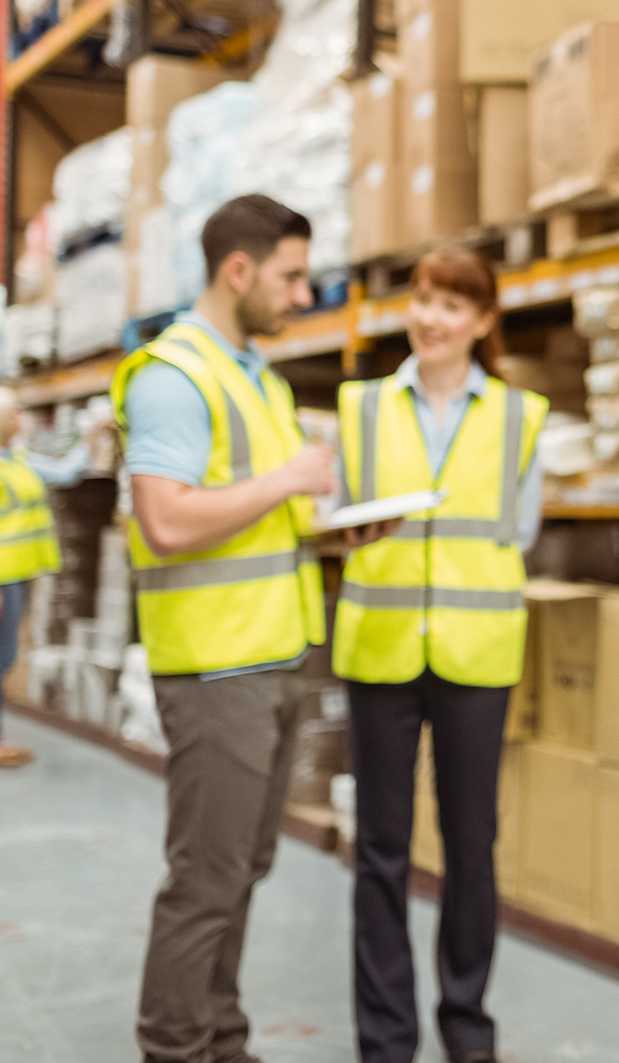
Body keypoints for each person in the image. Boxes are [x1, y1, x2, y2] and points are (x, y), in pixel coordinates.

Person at [112, 195, 382, 1063]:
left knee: (242, 871)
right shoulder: (174, 376)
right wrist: (292, 479)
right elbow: (169, 521)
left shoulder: (257, 377)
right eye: (292, 275)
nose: (304, 294)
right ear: (239, 270)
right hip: (215, 667)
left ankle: (220, 1040)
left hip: (272, 656)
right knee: (205, 881)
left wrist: (333, 528)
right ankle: (175, 1049)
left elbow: (254, 518)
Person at [333, 248, 547, 1063]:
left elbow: (519, 530)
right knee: (380, 854)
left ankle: (467, 1028)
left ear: (484, 323)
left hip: (475, 654)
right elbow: (335, 514)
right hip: (380, 649)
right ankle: (386, 1041)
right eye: (423, 299)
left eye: (453, 306)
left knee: (470, 848)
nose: (431, 317)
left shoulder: (519, 417)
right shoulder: (359, 409)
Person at [0, 386, 98, 766]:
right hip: (1, 577)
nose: (21, 419)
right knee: (1, 656)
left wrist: (94, 436)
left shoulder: (16, 461)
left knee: (3, 654)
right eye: (15, 414)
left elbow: (67, 472)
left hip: (21, 571)